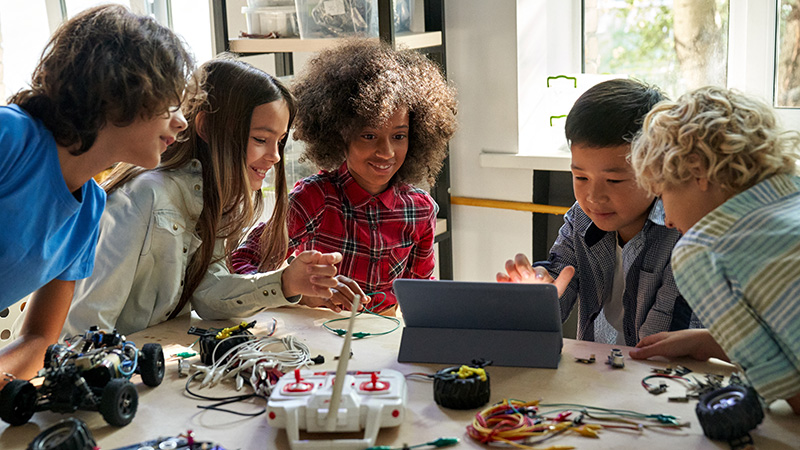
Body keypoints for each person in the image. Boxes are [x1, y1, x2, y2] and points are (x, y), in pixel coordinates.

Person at [62, 57, 345, 338]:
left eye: (280, 141)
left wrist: (284, 282)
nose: (275, 156)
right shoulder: (144, 195)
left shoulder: (220, 199)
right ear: (207, 127)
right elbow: (87, 324)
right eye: (260, 139)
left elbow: (208, 294)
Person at [0, 5, 195, 382]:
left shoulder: (91, 209)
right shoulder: (10, 138)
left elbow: (41, 339)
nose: (181, 121)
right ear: (119, 88)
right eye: (170, 103)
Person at [231, 39, 458, 315]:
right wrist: (297, 289)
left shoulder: (420, 210)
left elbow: (421, 299)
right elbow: (242, 264)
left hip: (381, 343)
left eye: (399, 136)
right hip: (322, 341)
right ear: (340, 134)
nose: (386, 152)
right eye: (369, 136)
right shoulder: (314, 199)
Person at [628, 86, 800, 414]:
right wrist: (710, 340)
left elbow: (793, 393)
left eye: (663, 195)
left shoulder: (703, 250)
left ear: (698, 171)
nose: (667, 220)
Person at [497, 78, 701, 345]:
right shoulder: (581, 218)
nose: (593, 197)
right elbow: (559, 278)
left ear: (657, 169)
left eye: (614, 181)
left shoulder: (682, 234)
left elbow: (659, 354)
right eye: (580, 177)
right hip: (601, 376)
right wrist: (537, 296)